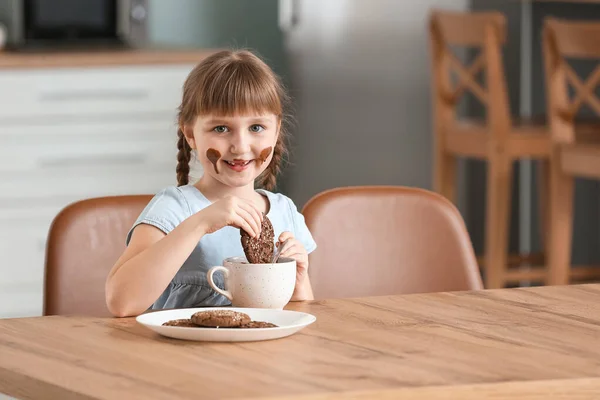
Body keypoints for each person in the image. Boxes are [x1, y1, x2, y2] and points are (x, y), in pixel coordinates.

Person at [105, 49, 317, 317]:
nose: (240, 146)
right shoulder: (174, 209)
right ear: (191, 134)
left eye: (256, 128)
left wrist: (299, 278)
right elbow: (121, 301)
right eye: (220, 128)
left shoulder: (286, 213)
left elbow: (300, 314)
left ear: (276, 131)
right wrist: (200, 223)